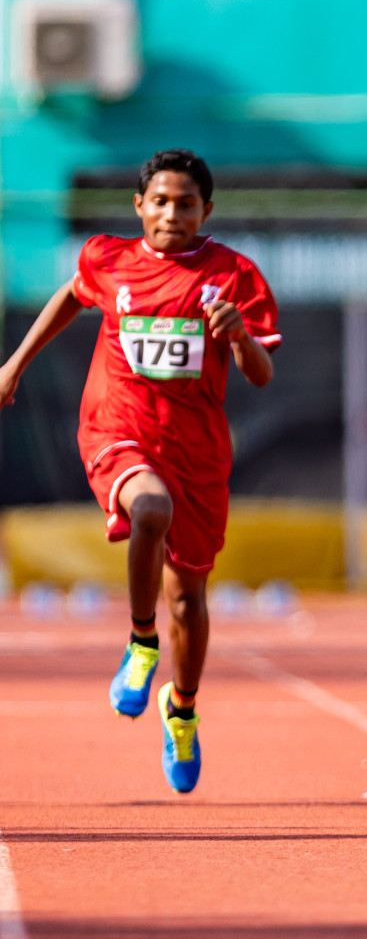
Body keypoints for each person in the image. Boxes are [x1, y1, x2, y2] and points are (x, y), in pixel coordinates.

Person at [0, 150, 281, 793]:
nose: (171, 213)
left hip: (197, 451)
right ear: (139, 207)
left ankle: (181, 709)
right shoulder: (109, 259)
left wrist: (237, 336)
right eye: (159, 201)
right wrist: (13, 366)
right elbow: (71, 297)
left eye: (185, 203)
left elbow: (261, 375)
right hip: (117, 429)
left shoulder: (234, 275)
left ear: (205, 210)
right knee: (150, 508)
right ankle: (141, 643)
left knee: (190, 597)